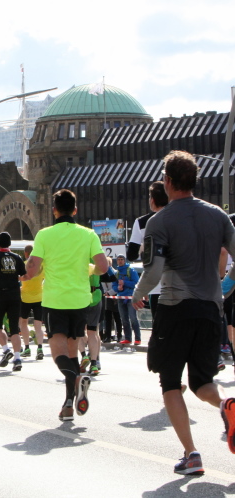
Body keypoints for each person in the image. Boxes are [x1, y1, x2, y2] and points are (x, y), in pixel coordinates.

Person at [134, 150, 235, 475]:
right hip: (211, 309)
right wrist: (224, 286)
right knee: (203, 381)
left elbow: (153, 271)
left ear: (167, 181)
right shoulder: (218, 216)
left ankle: (192, 454)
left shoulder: (159, 221)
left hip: (175, 308)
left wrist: (138, 294)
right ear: (194, 179)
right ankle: (226, 403)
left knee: (170, 383)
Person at [25, 189, 108, 421]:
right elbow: (103, 267)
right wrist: (89, 269)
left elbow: (32, 268)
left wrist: (27, 275)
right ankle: (69, 406)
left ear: (54, 211)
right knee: (72, 353)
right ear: (75, 210)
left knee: (58, 354)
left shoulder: (44, 234)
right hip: (80, 301)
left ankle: (77, 379)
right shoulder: (89, 234)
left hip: (55, 300)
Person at [0, 232, 27, 371]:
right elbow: (24, 276)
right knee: (14, 329)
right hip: (15, 295)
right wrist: (14, 279)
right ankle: (17, 358)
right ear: (10, 243)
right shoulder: (17, 257)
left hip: (0, 295)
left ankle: (6, 350)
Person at [127, 181, 169, 317]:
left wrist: (144, 248)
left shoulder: (141, 222)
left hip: (155, 285)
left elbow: (131, 255)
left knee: (159, 325)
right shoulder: (181, 217)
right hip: (182, 284)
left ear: (152, 200)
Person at [18, 244, 45, 360]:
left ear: (26, 253)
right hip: (39, 297)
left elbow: (19, 278)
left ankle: (27, 348)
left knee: (23, 323)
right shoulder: (41, 266)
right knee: (38, 325)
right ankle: (40, 348)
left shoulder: (23, 265)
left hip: (25, 298)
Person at [113, 255, 140, 345]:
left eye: (122, 259)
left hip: (130, 297)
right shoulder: (117, 273)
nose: (120, 261)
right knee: (124, 319)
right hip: (121, 298)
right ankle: (128, 338)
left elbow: (136, 283)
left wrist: (124, 283)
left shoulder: (131, 270)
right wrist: (118, 288)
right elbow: (114, 285)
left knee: (133, 318)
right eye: (118, 259)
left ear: (125, 261)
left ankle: (138, 338)